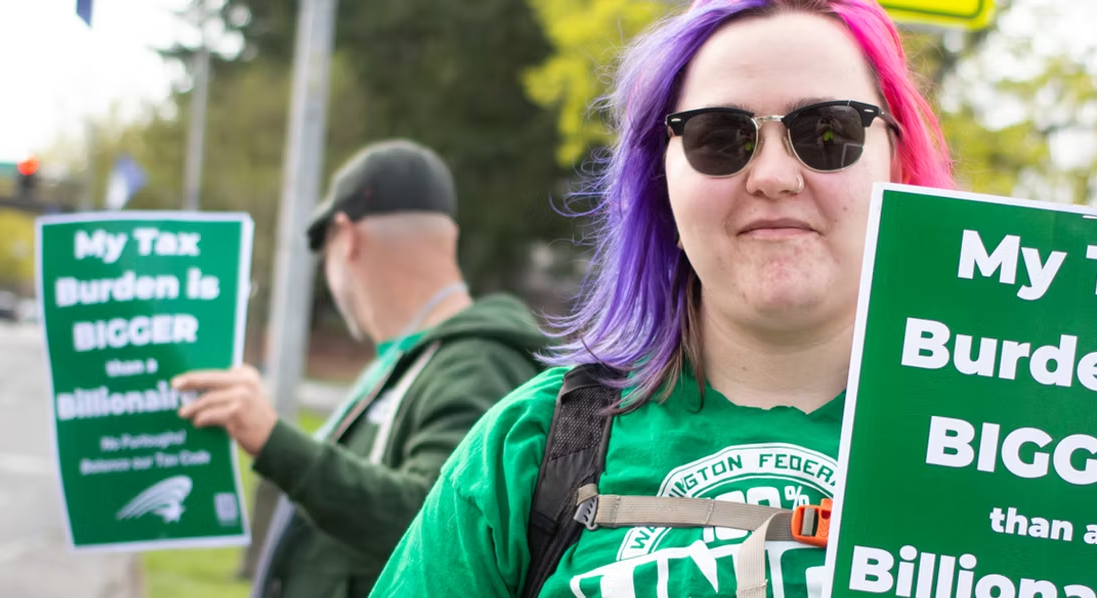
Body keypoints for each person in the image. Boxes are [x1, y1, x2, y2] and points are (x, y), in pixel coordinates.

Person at [369, 1, 956, 596]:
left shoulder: (1011, 457)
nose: (773, 175)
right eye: (720, 137)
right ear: (662, 185)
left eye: (829, 131)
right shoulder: (527, 448)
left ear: (898, 165)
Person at [173, 139, 550, 598]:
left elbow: (439, 524)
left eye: (324, 251)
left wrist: (273, 440)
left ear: (346, 238)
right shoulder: (412, 359)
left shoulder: (475, 361)